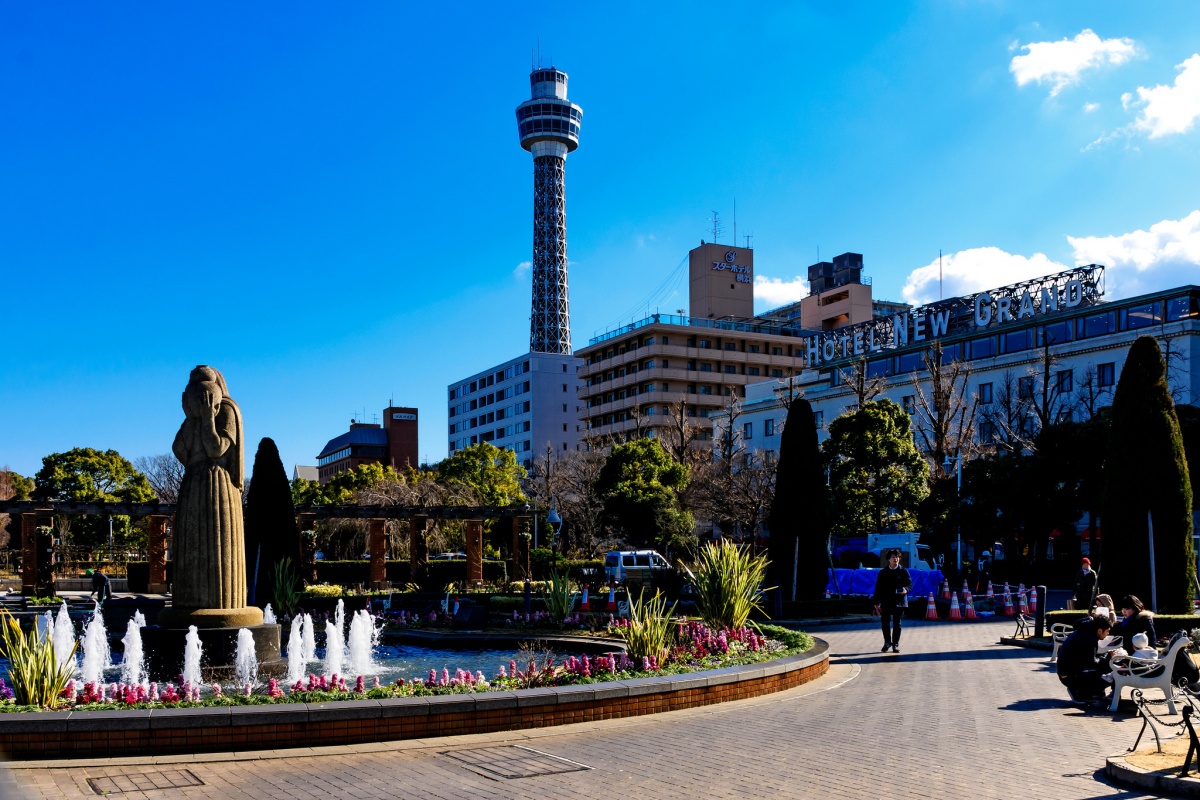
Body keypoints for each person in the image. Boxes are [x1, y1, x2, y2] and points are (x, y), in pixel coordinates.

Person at [1056, 615, 1113, 703]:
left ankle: (1091, 693)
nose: (1108, 634)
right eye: (1107, 631)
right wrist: (1109, 656)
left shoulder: (1083, 632)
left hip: (1066, 673)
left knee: (1104, 666)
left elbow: (1087, 658)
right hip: (1071, 677)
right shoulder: (1089, 639)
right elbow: (1092, 663)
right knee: (1110, 671)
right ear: (1099, 631)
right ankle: (1081, 692)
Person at [872, 549, 912, 653]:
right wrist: (876, 602)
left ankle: (895, 644)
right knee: (885, 622)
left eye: (897, 557)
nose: (896, 559)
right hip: (886, 601)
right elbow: (878, 587)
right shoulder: (883, 572)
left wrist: (905, 589)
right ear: (889, 559)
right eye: (893, 557)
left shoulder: (903, 571)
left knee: (897, 623)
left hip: (899, 601)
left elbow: (909, 584)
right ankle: (887, 642)